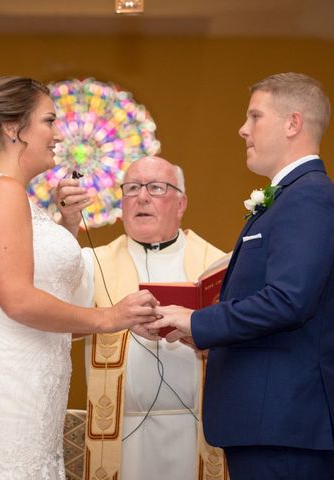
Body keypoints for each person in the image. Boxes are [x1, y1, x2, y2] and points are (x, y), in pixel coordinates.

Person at [0, 76, 159, 479]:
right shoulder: (4, 193)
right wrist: (110, 317)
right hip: (10, 385)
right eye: (49, 121)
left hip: (25, 377)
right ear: (13, 128)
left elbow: (30, 287)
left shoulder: (1, 194)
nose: (58, 134)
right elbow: (18, 301)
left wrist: (66, 224)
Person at [148, 73, 334, 479]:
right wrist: (198, 331)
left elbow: (288, 301)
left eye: (255, 117)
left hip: (288, 427)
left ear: (292, 123)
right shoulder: (292, 198)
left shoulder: (309, 197)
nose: (242, 129)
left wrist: (197, 320)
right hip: (273, 424)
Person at [57, 156, 228, 480]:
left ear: (181, 203)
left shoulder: (217, 264)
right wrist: (67, 224)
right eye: (132, 188)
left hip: (196, 430)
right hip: (121, 432)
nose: (142, 196)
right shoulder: (93, 262)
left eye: (156, 187)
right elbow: (62, 317)